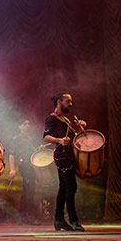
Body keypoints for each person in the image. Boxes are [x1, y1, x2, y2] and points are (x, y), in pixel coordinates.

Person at [43, 93, 86, 232]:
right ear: (59, 101)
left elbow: (74, 138)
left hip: (69, 155)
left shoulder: (65, 119)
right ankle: (73, 220)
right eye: (68, 101)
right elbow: (46, 137)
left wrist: (79, 128)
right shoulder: (51, 119)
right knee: (71, 187)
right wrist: (60, 140)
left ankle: (59, 220)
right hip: (62, 156)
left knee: (64, 187)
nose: (71, 104)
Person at [8, 118, 41, 225]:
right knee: (29, 192)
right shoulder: (16, 139)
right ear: (20, 126)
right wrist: (12, 169)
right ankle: (28, 217)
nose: (27, 126)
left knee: (28, 192)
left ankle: (22, 217)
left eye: (28, 124)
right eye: (24, 124)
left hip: (32, 166)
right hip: (24, 166)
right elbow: (12, 154)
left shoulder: (31, 139)